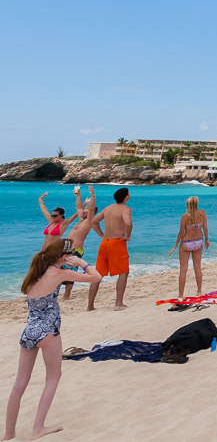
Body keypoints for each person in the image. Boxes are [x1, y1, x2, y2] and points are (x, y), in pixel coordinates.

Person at [5, 240, 102, 441]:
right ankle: (38, 427)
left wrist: (69, 261)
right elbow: (96, 277)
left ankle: (8, 433)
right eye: (71, 252)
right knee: (53, 378)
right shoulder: (61, 274)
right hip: (48, 332)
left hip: (29, 331)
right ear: (63, 256)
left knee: (20, 384)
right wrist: (82, 263)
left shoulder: (36, 273)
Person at [87, 187, 132, 312]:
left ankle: (90, 306)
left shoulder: (108, 208)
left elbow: (93, 222)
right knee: (123, 272)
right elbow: (128, 223)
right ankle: (118, 303)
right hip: (117, 242)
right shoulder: (125, 209)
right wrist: (128, 236)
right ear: (126, 197)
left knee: (98, 274)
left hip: (105, 242)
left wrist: (102, 235)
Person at [59, 185, 97, 301]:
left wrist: (92, 195)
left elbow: (90, 210)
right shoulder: (81, 220)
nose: (84, 212)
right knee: (59, 268)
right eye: (84, 212)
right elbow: (78, 207)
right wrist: (78, 195)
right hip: (66, 248)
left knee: (71, 270)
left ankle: (67, 296)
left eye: (87, 211)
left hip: (76, 249)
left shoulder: (89, 221)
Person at [167, 196, 209, 300]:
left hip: (186, 243)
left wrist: (175, 246)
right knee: (197, 267)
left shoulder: (185, 216)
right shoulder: (202, 213)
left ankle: (180, 295)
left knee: (183, 270)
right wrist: (207, 239)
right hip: (198, 241)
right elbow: (205, 228)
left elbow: (181, 232)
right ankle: (199, 291)